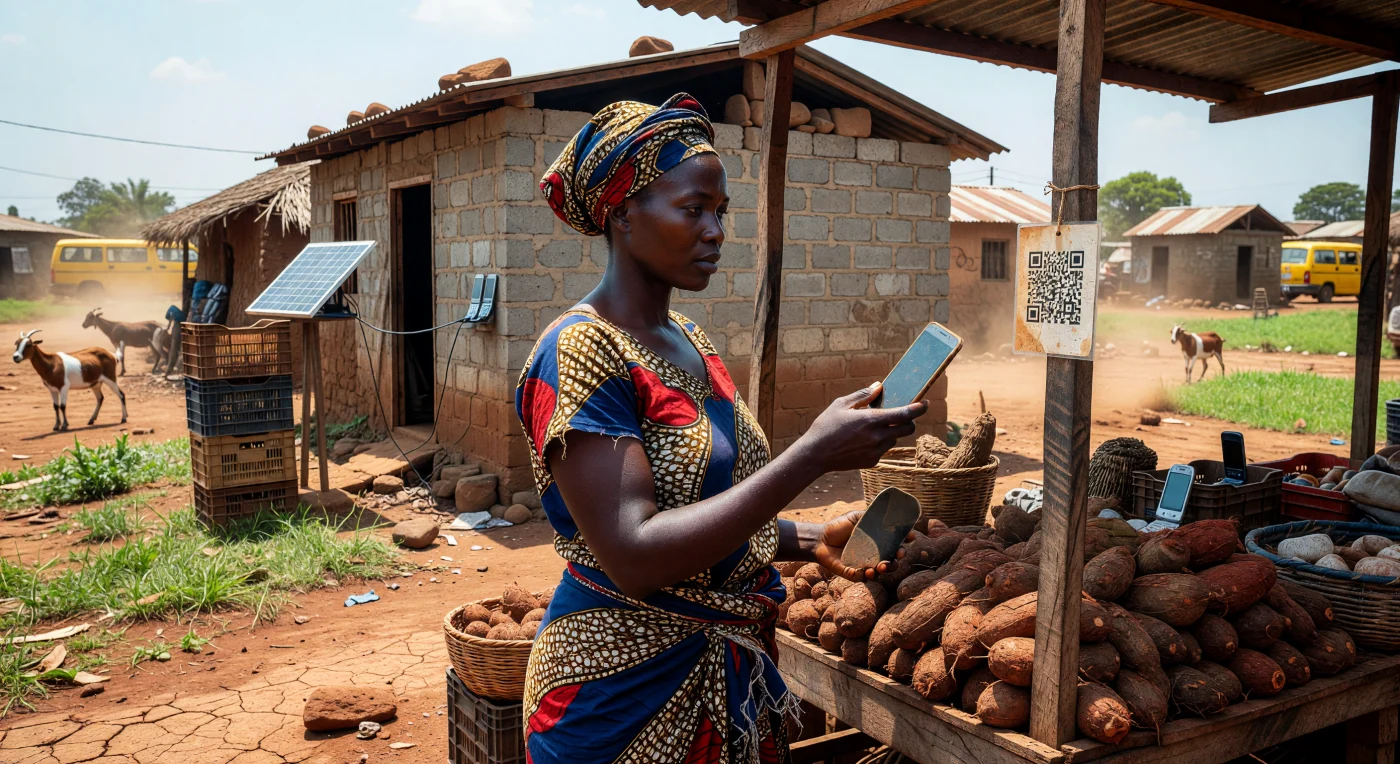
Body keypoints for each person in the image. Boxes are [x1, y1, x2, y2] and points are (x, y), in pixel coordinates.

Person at [516, 93, 928, 764]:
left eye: (720, 212)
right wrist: (811, 456)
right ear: (622, 213)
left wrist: (806, 536)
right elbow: (635, 554)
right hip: (619, 699)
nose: (715, 231)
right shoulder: (580, 352)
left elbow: (702, 509)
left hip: (727, 683)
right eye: (693, 209)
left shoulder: (690, 341)